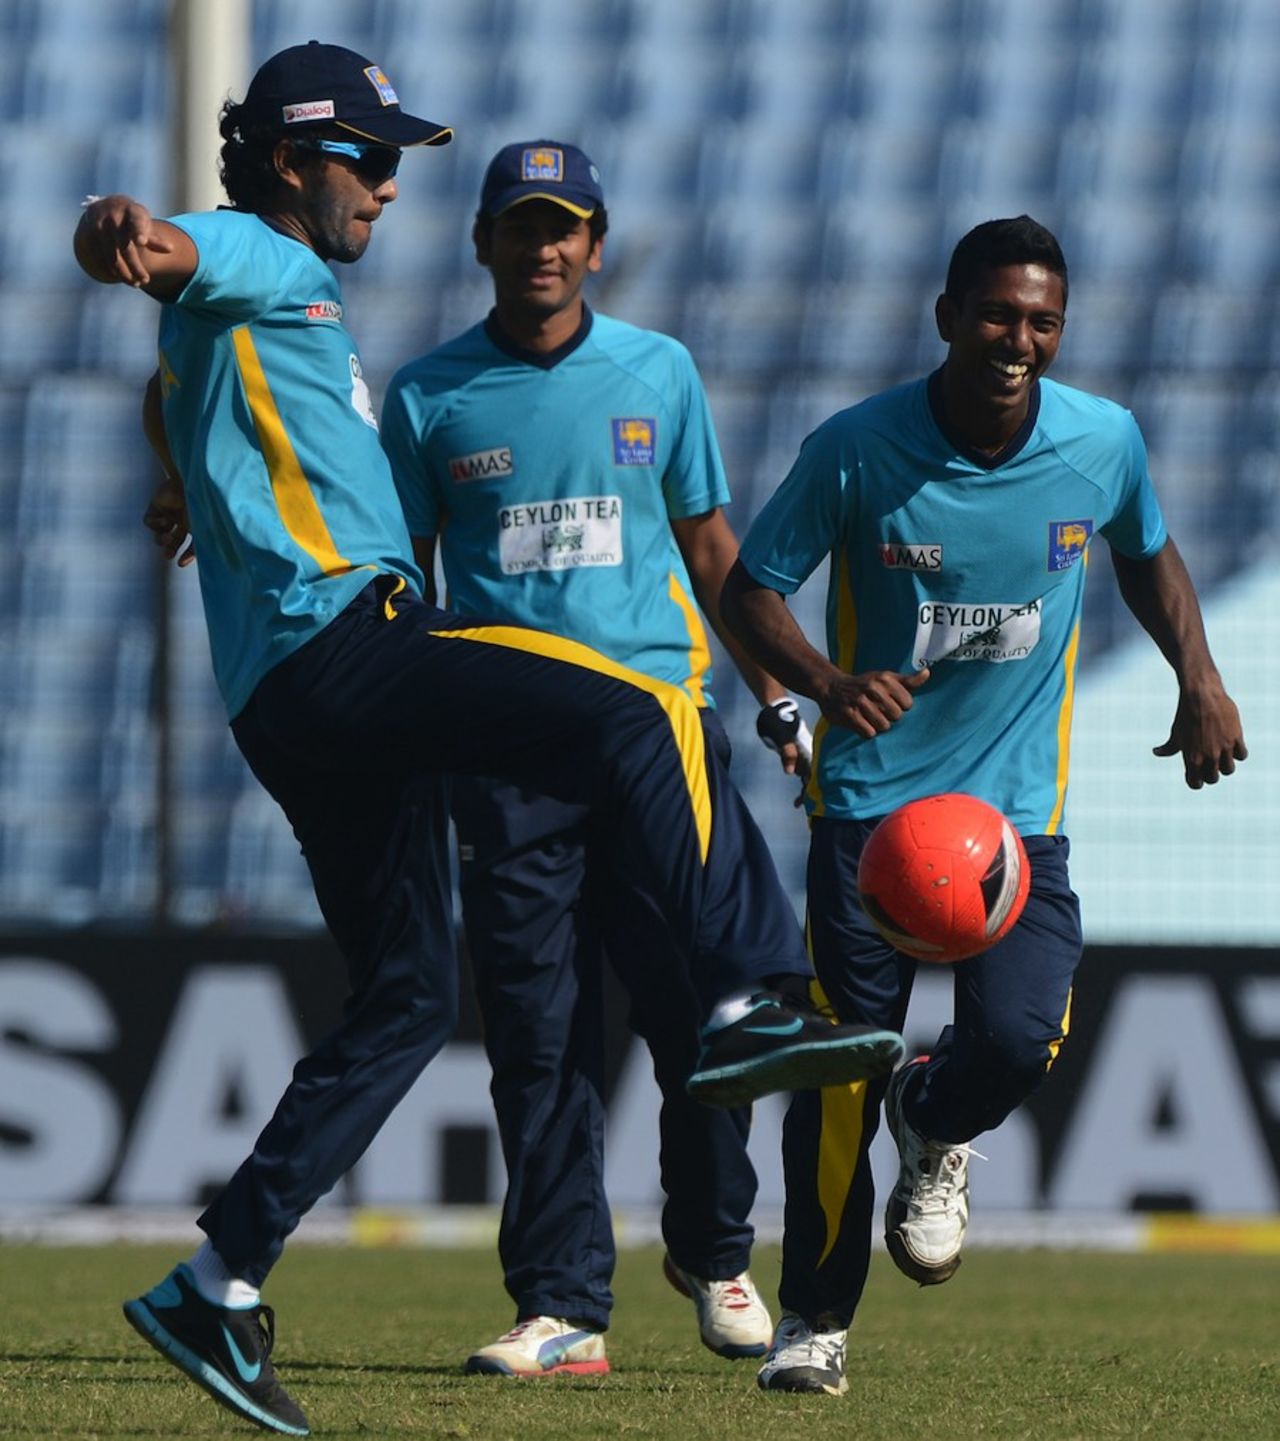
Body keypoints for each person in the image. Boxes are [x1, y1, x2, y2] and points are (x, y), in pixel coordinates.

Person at [73, 42, 905, 1436]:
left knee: (404, 1002)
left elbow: (173, 367)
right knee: (641, 700)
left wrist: (175, 464)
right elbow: (159, 248)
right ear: (291, 163)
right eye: (370, 157)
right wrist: (122, 232)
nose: (389, 187)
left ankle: (216, 1278)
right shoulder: (264, 259)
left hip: (282, 699)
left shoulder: (258, 309)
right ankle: (751, 990)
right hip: (354, 637)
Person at [719, 216, 1247, 1398]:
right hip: (866, 823)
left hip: (1012, 828)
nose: (1020, 340)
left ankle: (937, 1114)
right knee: (835, 1075)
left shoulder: (1099, 440)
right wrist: (826, 682)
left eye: (1042, 320)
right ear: (948, 316)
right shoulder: (856, 450)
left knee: (1017, 1037)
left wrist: (1198, 677)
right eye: (999, 315)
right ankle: (813, 1320)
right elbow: (747, 587)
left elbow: (1147, 552)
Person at [380, 139, 814, 1377]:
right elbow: (404, 587)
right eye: (520, 227)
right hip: (506, 758)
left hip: (652, 734)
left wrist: (778, 693)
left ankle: (715, 1250)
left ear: (596, 244)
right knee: (539, 1031)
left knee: (700, 1016)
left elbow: (714, 552)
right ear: (483, 244)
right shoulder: (427, 396)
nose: (543, 247)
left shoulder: (656, 372)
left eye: (563, 226)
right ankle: (563, 1303)